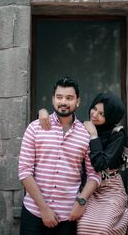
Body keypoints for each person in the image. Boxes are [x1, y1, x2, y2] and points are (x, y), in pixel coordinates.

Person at [39, 92, 128, 235]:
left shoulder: (117, 134)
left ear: (111, 117)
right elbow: (59, 123)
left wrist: (94, 136)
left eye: (102, 113)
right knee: (84, 226)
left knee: (103, 228)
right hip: (88, 190)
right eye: (94, 108)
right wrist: (43, 112)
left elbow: (100, 164)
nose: (94, 114)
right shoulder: (81, 128)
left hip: (110, 189)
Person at [18, 77, 101, 235]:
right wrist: (44, 209)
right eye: (59, 97)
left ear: (78, 101)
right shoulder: (35, 128)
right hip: (33, 212)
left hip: (69, 216)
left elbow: (94, 175)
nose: (63, 101)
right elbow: (24, 171)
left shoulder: (86, 134)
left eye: (69, 98)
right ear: (53, 99)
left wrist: (81, 201)